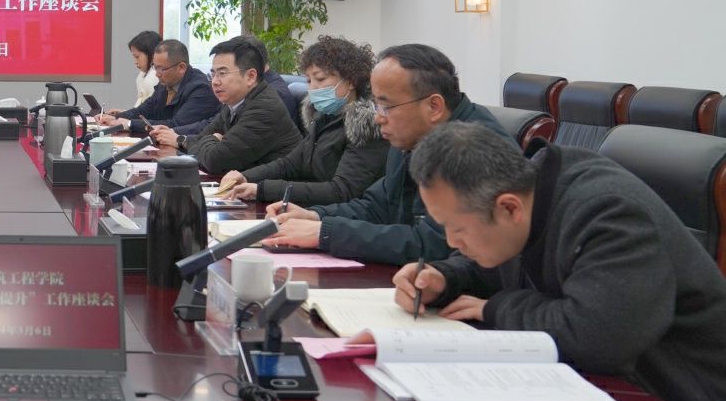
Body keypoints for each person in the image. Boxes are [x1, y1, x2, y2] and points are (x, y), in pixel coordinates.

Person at [395, 122, 726, 401]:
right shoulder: (528, 195)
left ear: (509, 208)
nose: (451, 241)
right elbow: (498, 262)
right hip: (614, 400)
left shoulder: (607, 213)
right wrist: (445, 277)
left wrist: (495, 308)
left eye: (457, 228)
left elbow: (595, 338)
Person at [266, 43, 508, 264]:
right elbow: (377, 206)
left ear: (433, 106)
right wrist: (315, 216)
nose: (377, 118)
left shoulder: (475, 149)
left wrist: (327, 233)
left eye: (386, 106)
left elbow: (435, 244)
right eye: (376, 105)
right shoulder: (410, 135)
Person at [215, 35, 388, 206]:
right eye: (309, 80)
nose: (312, 88)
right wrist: (246, 176)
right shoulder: (323, 117)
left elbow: (341, 191)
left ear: (350, 81)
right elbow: (289, 164)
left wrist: (262, 189)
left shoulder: (366, 126)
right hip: (313, 211)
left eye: (320, 79)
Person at [168, 35, 301, 175]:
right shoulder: (234, 101)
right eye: (213, 74)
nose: (215, 82)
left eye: (222, 73)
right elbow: (201, 138)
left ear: (250, 76)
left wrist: (213, 139)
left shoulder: (265, 109)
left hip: (276, 186)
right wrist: (209, 141)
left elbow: (215, 161)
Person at [98, 39, 217, 136]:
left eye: (162, 69)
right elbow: (144, 110)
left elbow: (177, 124)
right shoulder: (165, 82)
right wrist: (114, 118)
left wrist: (130, 124)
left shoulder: (201, 88)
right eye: (155, 67)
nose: (157, 74)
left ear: (181, 67)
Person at [127, 30, 162, 106]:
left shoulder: (154, 77)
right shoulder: (142, 76)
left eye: (137, 57)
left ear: (151, 54)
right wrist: (124, 112)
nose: (135, 62)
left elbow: (148, 111)